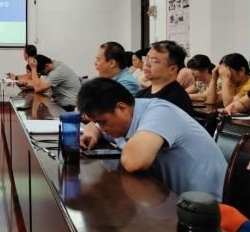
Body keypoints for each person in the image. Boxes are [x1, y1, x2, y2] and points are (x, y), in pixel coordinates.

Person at [78, 78, 227, 200]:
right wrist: (92, 134)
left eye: (103, 121)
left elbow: (134, 162)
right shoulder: (127, 114)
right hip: (175, 199)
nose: (102, 127)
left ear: (121, 108)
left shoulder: (159, 112)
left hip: (209, 208)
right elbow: (93, 126)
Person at [136, 40, 195, 116]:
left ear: (172, 69)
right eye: (146, 59)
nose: (146, 64)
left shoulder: (174, 101)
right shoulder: (141, 94)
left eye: (154, 61)